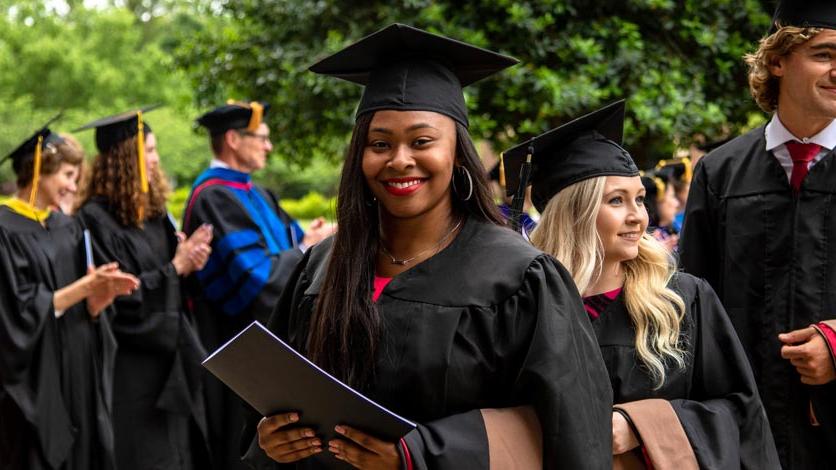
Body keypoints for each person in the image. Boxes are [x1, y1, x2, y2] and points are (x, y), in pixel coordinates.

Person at [245, 23, 612, 469]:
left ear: (458, 153)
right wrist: (272, 439)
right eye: (379, 144)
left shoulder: (518, 277)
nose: (399, 159)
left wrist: (421, 454)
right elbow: (279, 398)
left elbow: (569, 428)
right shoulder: (322, 267)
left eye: (422, 141)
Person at [504, 100, 780, 468]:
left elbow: (739, 413)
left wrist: (643, 426)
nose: (638, 216)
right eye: (617, 201)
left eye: (639, 199)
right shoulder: (522, 307)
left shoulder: (681, 301)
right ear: (574, 213)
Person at [679, 2, 836, 467]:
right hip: (743, 426)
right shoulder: (720, 173)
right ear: (778, 58)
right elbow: (692, 304)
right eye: (825, 54)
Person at [74, 107, 213, 470]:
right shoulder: (93, 219)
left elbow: (176, 279)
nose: (155, 159)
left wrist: (189, 263)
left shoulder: (155, 214)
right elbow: (117, 295)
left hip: (172, 359)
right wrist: (174, 268)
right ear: (125, 158)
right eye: (148, 150)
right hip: (132, 367)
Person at [0, 119, 139, 469]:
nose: (73, 187)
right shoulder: (4, 228)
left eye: (75, 177)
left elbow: (83, 301)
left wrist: (97, 303)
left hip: (78, 360)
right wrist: (81, 289)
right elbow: (14, 313)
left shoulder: (67, 225)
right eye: (66, 175)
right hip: (35, 374)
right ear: (37, 172)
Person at [639, 172, 679, 251]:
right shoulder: (645, 242)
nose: (676, 203)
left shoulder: (670, 233)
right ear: (657, 201)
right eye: (672, 196)